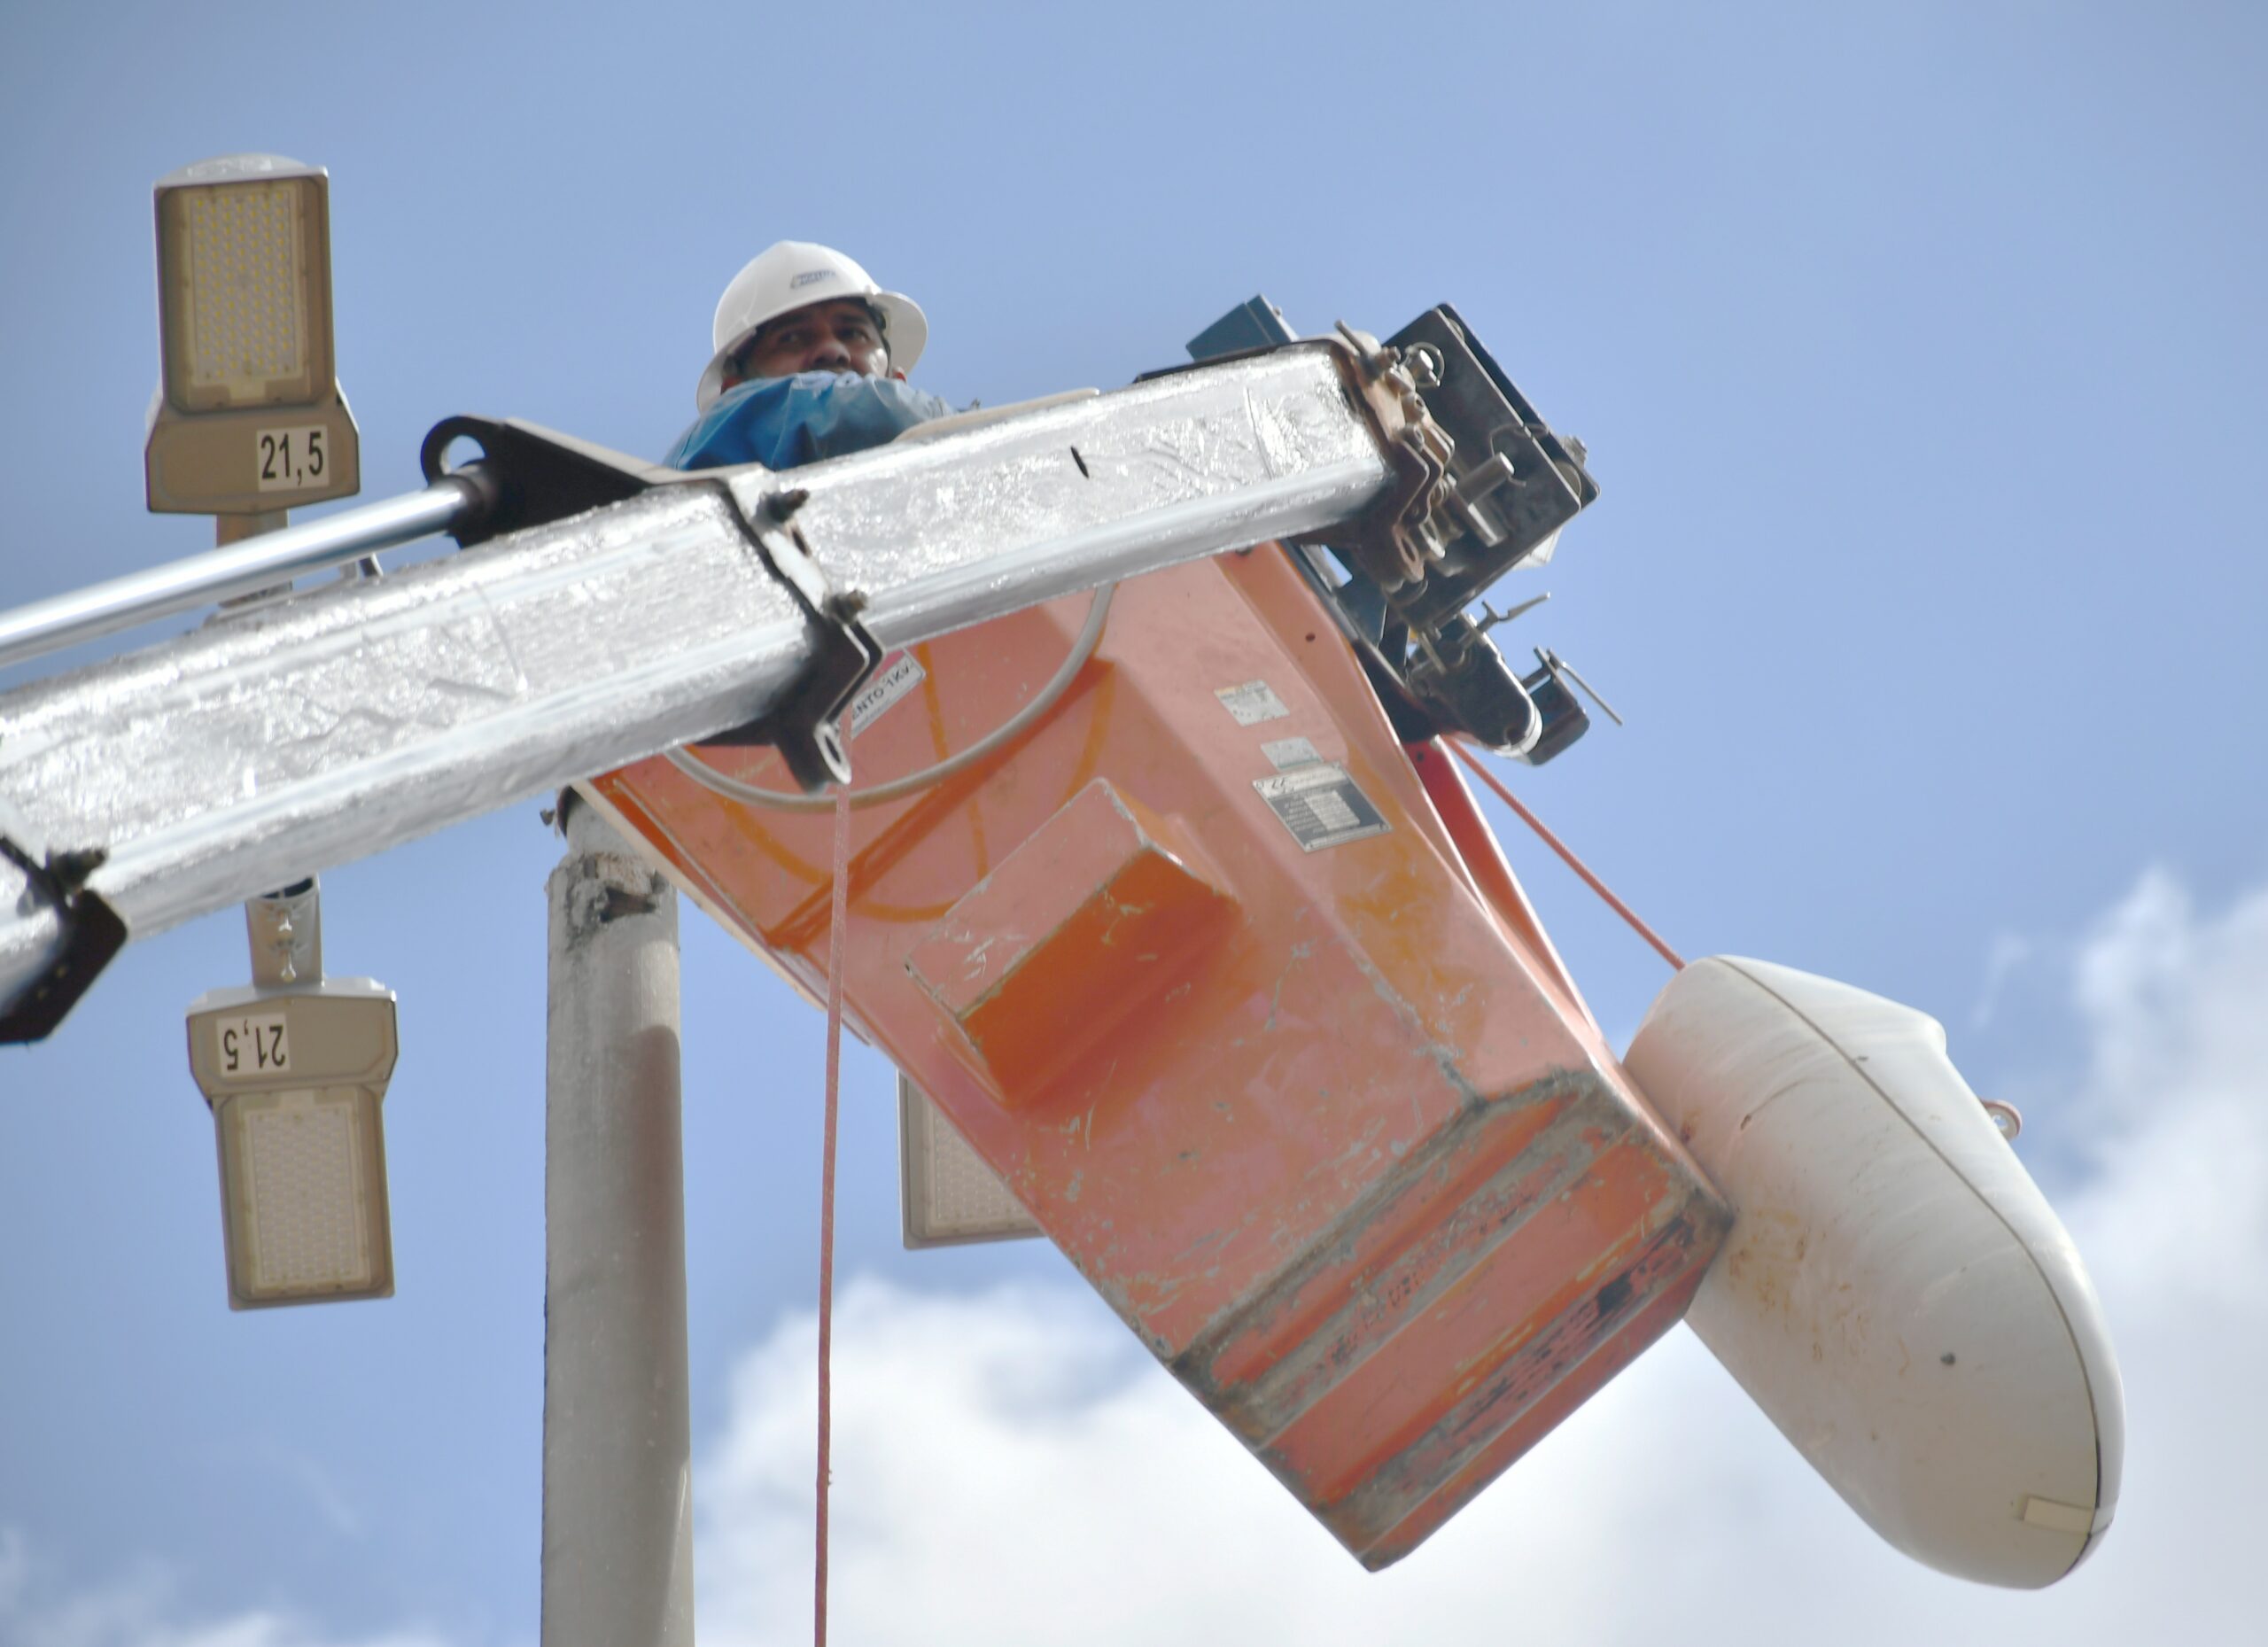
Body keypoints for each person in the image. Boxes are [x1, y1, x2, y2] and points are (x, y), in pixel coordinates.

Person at [665, 241, 953, 472]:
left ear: (898, 381)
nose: (833, 350)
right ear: (733, 391)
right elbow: (883, 413)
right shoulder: (704, 455)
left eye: (854, 333)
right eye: (791, 338)